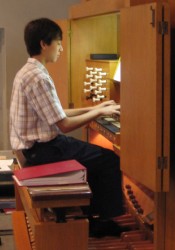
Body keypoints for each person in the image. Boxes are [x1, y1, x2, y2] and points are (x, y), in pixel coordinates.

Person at [9, 18, 127, 237]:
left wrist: (95, 107)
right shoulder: (38, 77)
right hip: (44, 151)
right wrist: (99, 112)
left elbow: (57, 113)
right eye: (59, 42)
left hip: (38, 148)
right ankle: (102, 221)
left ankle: (91, 214)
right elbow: (63, 125)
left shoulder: (28, 71)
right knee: (110, 160)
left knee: (96, 157)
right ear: (44, 44)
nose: (62, 48)